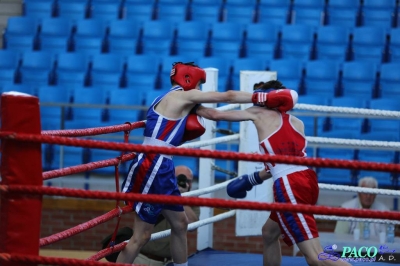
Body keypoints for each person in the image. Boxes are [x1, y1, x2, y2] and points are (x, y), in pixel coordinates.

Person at [116, 62, 268, 265]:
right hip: (153, 166)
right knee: (141, 237)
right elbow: (227, 96)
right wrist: (262, 97)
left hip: (163, 165)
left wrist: (255, 113)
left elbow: (215, 115)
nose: (200, 89)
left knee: (180, 224)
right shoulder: (181, 95)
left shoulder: (174, 99)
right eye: (199, 84)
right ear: (189, 79)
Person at [195, 80, 351, 266]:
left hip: (289, 186)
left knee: (316, 258)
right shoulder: (296, 122)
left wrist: (190, 103)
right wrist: (251, 180)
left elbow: (214, 114)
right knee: (269, 233)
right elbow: (283, 163)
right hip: (307, 181)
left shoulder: (257, 113)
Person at [102, 166, 199, 265]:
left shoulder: (192, 200)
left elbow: (192, 226)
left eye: (188, 180)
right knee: (140, 238)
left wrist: (181, 198)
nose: (183, 182)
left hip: (167, 262)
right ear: (171, 178)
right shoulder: (155, 193)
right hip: (142, 258)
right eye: (179, 178)